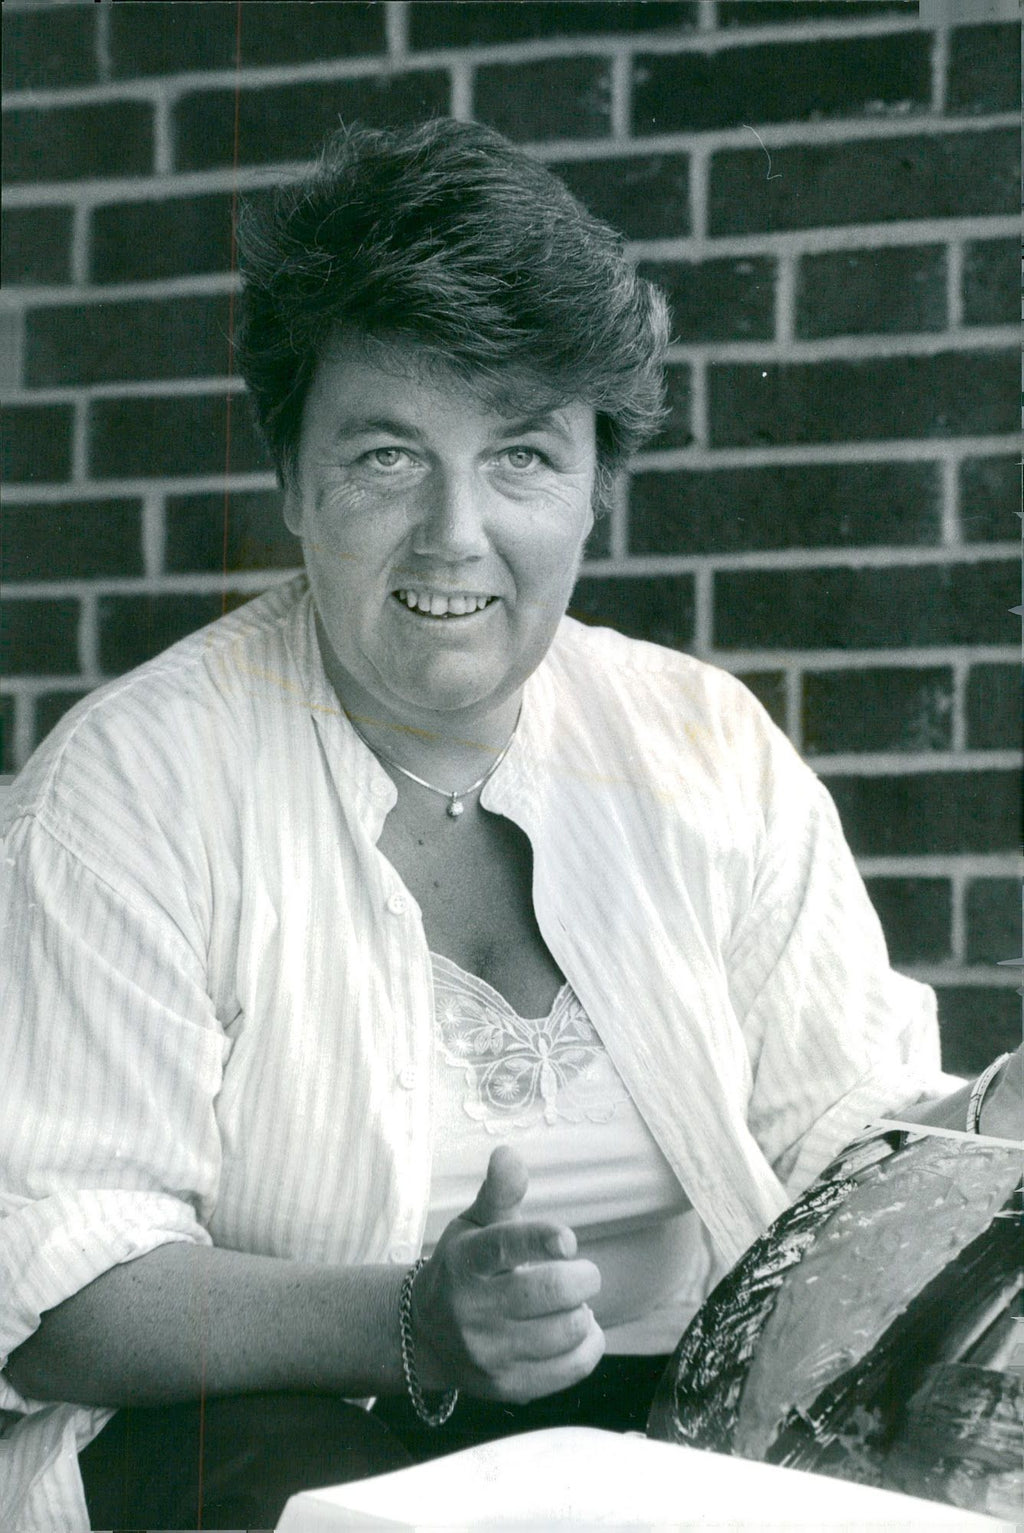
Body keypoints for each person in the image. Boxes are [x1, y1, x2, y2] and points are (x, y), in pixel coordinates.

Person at [1, 118, 1019, 1533]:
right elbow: (60, 1291)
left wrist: (991, 1119)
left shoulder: (706, 747)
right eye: (386, 456)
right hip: (263, 1455)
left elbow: (840, 1137)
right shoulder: (130, 788)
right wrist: (413, 1323)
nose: (454, 534)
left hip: (668, 1447)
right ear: (292, 478)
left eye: (523, 455)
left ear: (598, 487)